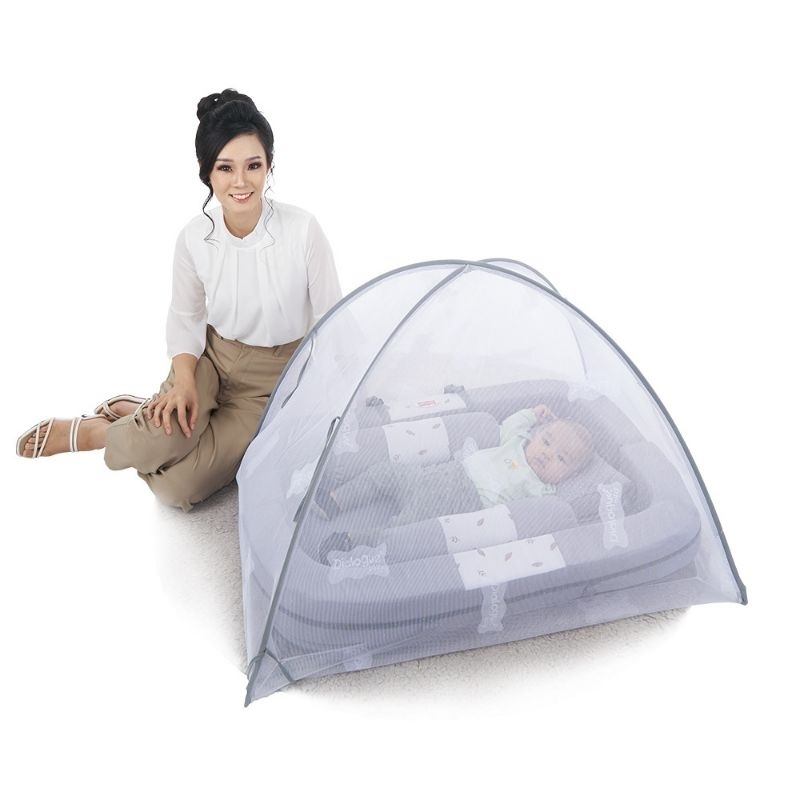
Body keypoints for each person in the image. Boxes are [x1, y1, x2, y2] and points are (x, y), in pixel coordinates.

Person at [16, 89, 342, 511]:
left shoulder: (303, 230)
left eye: (253, 165)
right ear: (207, 172)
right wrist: (185, 380)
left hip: (273, 381)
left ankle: (136, 415)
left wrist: (326, 402)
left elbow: (333, 321)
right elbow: (187, 319)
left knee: (177, 490)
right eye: (225, 168)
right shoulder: (193, 239)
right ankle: (96, 433)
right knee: (162, 437)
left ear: (269, 166)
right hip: (210, 360)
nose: (241, 182)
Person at [315, 404, 593, 563]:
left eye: (561, 459)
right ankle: (337, 499)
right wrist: (533, 413)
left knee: (404, 532)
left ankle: (352, 542)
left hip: (460, 502)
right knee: (387, 472)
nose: (547, 454)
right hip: (438, 474)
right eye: (546, 441)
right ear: (536, 435)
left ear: (568, 476)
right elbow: (512, 424)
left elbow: (534, 516)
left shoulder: (541, 490)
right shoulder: (515, 443)